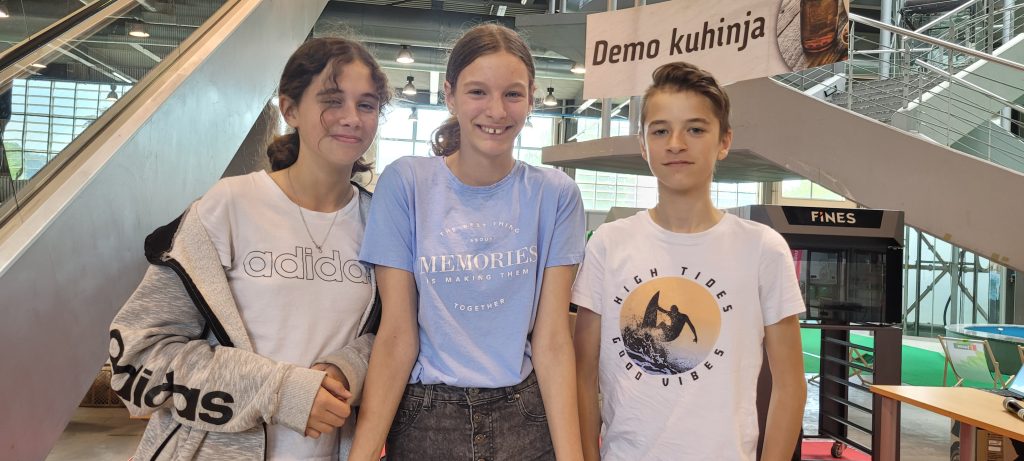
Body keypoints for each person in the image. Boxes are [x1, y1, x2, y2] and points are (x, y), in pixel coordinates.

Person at [107, 37, 388, 460]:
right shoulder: (227, 206)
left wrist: (347, 368)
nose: (351, 118)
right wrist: (280, 391)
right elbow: (139, 353)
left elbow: (394, 339)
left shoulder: (381, 222)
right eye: (332, 100)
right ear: (290, 109)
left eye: (366, 104)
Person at [349, 23, 586, 461]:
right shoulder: (407, 183)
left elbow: (552, 340)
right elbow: (397, 335)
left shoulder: (556, 195)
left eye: (512, 94)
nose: (496, 111)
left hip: (525, 418)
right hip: (426, 420)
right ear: (450, 95)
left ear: (531, 99)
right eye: (478, 92)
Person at [572, 62, 807, 461]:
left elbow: (790, 385)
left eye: (695, 130)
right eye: (660, 131)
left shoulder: (762, 249)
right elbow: (582, 374)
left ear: (724, 141)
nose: (676, 143)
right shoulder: (608, 245)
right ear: (644, 144)